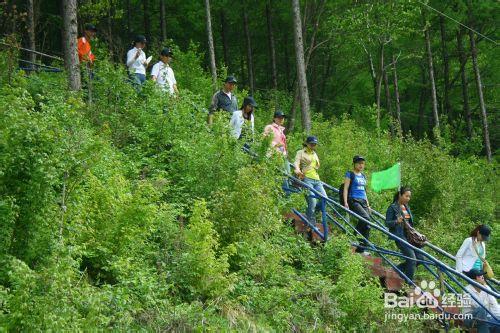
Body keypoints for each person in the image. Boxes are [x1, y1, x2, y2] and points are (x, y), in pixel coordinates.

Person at [385, 186, 422, 281]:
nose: (408, 199)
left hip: (410, 237)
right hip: (400, 236)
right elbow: (387, 223)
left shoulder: (406, 207)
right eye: (406, 196)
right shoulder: (392, 207)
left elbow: (409, 224)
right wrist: (396, 221)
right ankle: (408, 284)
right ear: (400, 195)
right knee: (412, 259)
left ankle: (393, 271)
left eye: (409, 197)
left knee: (420, 258)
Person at [294, 136, 327, 223]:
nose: (313, 145)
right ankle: (310, 222)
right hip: (306, 179)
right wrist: (297, 170)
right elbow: (296, 163)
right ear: (307, 143)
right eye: (311, 143)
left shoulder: (314, 154)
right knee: (312, 201)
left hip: (317, 179)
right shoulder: (300, 152)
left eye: (315, 144)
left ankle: (312, 212)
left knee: (324, 198)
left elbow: (316, 167)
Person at [343, 155, 371, 254]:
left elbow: (364, 191)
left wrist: (368, 204)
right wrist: (345, 202)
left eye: (362, 163)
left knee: (368, 225)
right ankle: (354, 238)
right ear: (354, 164)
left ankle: (361, 249)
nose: (361, 165)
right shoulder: (350, 174)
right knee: (365, 219)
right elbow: (346, 188)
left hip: (363, 201)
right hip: (353, 199)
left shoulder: (363, 176)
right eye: (359, 163)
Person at [462, 268, 500, 333]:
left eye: (482, 275)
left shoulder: (486, 288)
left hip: (485, 317)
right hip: (470, 317)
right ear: (473, 280)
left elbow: (494, 305)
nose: (482, 278)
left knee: (497, 323)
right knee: (481, 310)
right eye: (479, 276)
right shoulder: (466, 291)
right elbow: (477, 305)